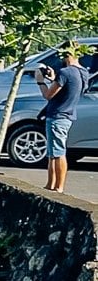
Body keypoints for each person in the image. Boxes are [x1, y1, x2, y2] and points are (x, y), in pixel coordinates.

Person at [41, 42, 86, 192]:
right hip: (68, 115)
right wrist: (54, 78)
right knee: (53, 152)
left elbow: (48, 95)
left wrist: (40, 82)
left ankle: (58, 186)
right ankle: (51, 184)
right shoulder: (83, 72)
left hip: (57, 115)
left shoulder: (65, 72)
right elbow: (69, 89)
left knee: (57, 152)